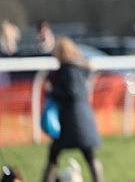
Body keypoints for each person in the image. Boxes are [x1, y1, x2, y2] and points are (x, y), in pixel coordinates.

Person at [41, 37, 104, 182]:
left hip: (71, 120)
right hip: (81, 118)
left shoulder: (68, 71)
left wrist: (51, 91)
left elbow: (72, 93)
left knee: (55, 153)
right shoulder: (78, 68)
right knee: (87, 153)